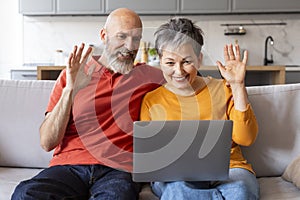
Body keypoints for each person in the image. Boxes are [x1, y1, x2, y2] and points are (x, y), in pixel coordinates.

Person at [12, 8, 165, 200]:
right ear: (104, 35)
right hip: (69, 167)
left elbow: (187, 77)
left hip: (117, 170)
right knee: (26, 194)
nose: (130, 46)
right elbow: (47, 142)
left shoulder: (148, 76)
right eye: (122, 36)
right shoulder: (74, 74)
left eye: (136, 38)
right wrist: (70, 90)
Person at [140, 18, 259, 200]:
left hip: (230, 169)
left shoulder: (223, 88)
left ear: (199, 59)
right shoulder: (151, 100)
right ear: (161, 62)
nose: (179, 72)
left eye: (186, 61)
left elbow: (246, 138)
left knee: (240, 191)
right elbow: (148, 159)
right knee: (177, 192)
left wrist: (237, 86)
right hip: (176, 176)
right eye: (170, 63)